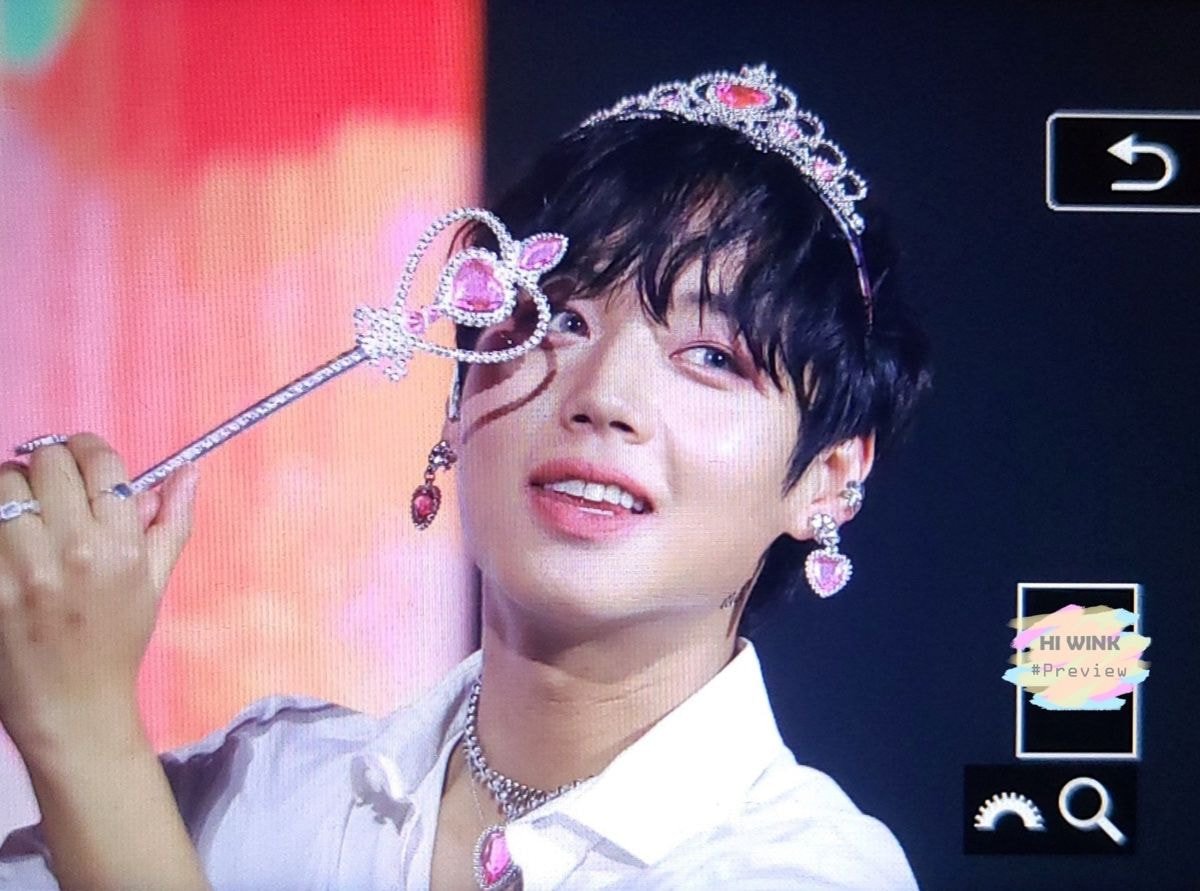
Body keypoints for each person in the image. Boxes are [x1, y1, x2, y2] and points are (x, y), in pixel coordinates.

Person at [0, 65, 931, 890]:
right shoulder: (261, 788)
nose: (603, 397)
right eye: (555, 319)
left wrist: (83, 729)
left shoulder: (807, 867)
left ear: (828, 477)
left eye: (713, 357)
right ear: (457, 400)